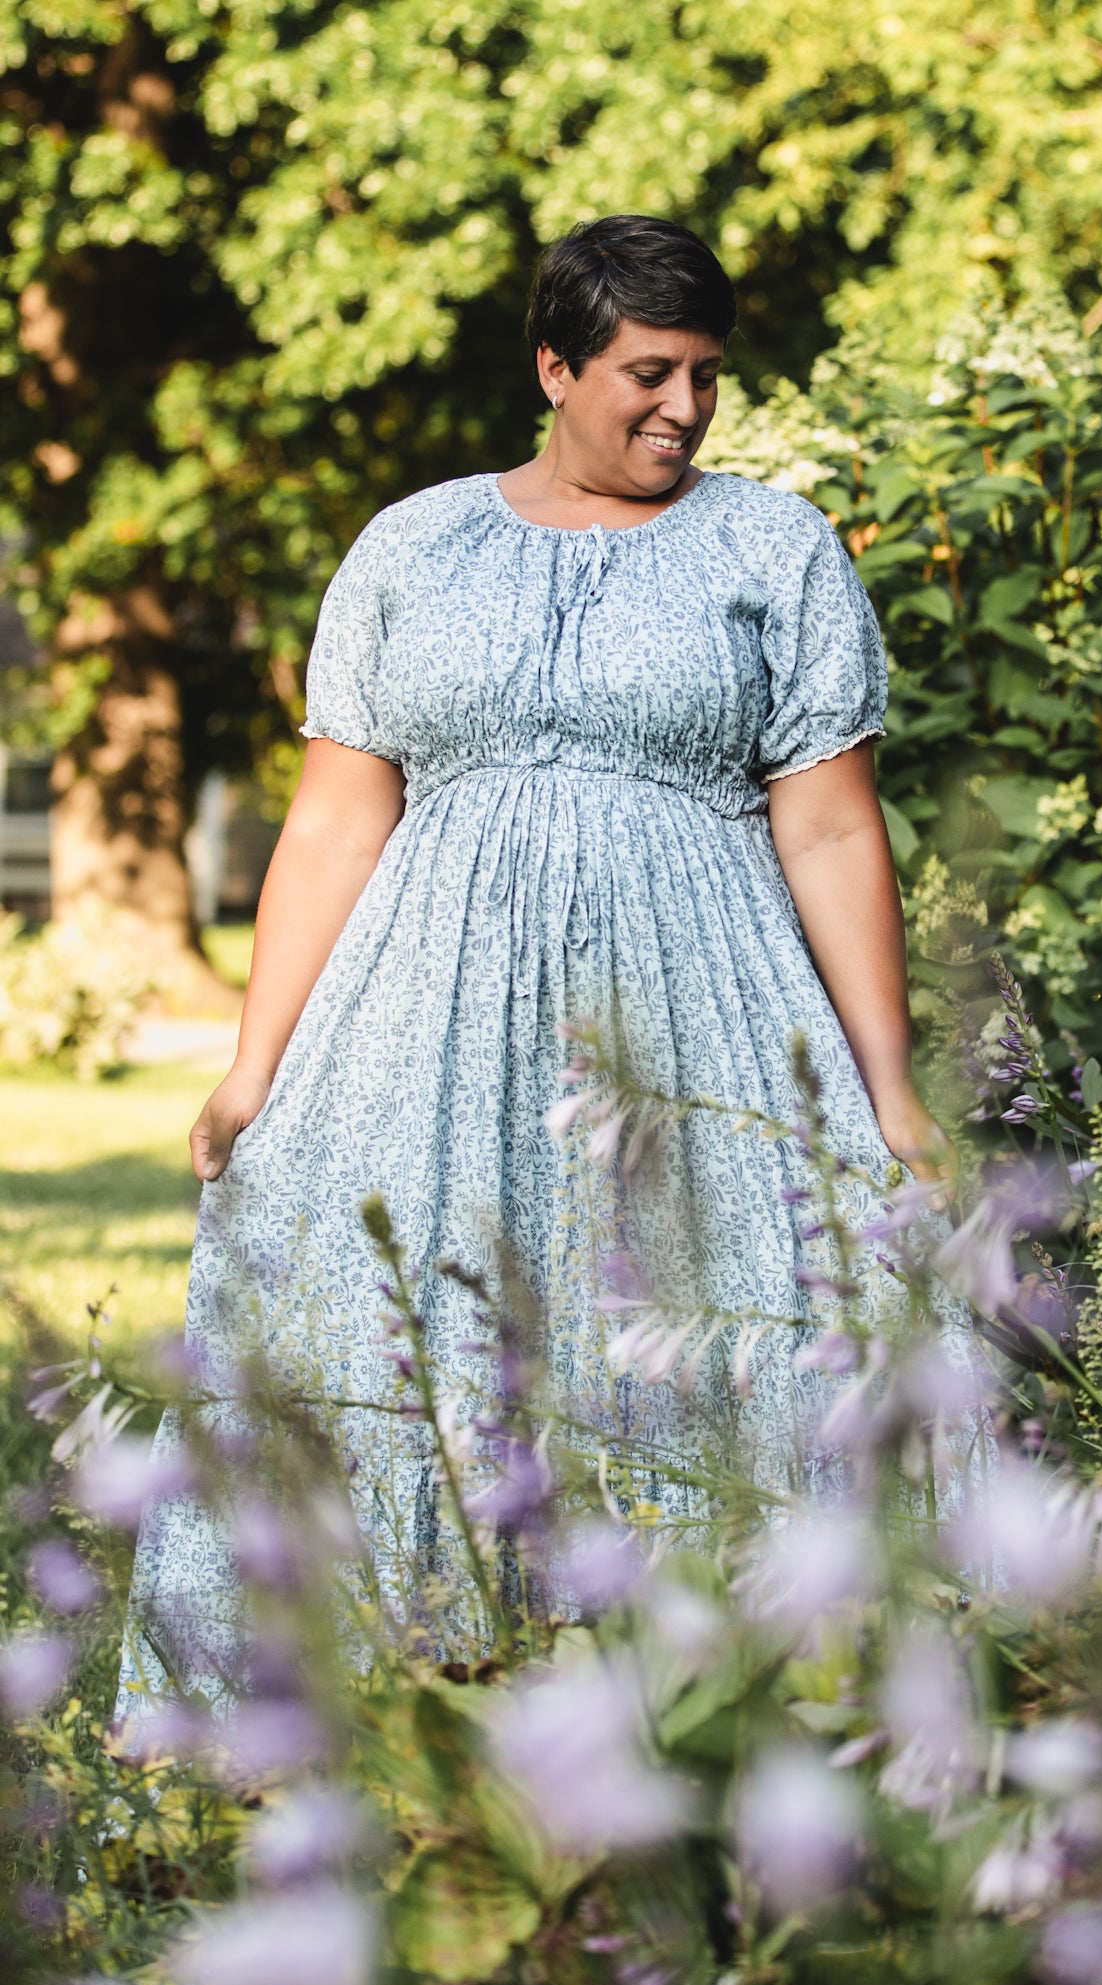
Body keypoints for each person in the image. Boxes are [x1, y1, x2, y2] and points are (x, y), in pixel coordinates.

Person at [116, 215, 969, 1718]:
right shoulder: (415, 546)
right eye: (650, 373)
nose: (685, 409)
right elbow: (335, 823)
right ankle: (394, 1713)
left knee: (732, 1324)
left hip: (695, 1013)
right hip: (427, 1017)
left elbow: (832, 828)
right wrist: (254, 1068)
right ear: (555, 368)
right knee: (408, 1329)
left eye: (706, 375)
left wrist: (890, 1091)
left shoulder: (774, 548)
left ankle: (736, 1702)